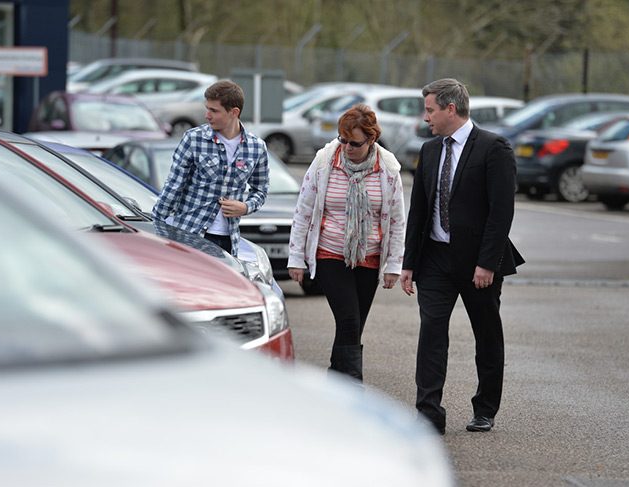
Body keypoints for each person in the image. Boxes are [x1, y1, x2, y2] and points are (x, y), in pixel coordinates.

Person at [400, 78, 524, 435]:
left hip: (477, 263)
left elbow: (502, 212)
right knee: (432, 331)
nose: (427, 118)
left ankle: (485, 409)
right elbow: (419, 211)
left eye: (430, 110)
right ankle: (428, 413)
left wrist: (487, 263)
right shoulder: (430, 150)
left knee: (486, 334)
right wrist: (409, 262)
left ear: (450, 109)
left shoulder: (493, 148)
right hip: (435, 259)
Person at [288, 104, 406, 384]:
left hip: (370, 256)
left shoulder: (388, 170)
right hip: (330, 253)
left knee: (352, 327)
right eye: (342, 140)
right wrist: (296, 256)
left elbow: (398, 220)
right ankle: (353, 389)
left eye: (354, 143)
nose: (347, 147)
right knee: (350, 320)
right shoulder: (324, 163)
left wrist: (394, 264)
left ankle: (335, 386)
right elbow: (303, 210)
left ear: (371, 140)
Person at [151, 80, 269, 256]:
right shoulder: (193, 139)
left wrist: (245, 207)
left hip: (229, 241)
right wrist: (155, 226)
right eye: (207, 108)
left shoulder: (256, 147)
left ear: (234, 112)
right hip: (190, 236)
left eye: (214, 110)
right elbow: (173, 186)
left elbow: (260, 190)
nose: (207, 115)